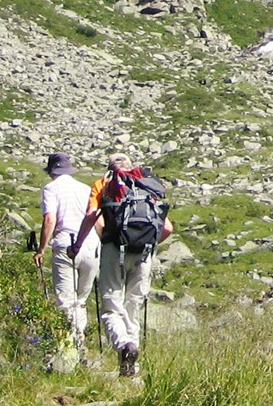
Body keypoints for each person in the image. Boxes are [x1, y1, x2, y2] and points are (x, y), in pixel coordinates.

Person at [71, 152, 172, 377]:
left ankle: (124, 345)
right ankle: (131, 367)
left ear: (110, 168)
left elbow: (91, 214)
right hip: (145, 253)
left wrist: (78, 244)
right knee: (133, 307)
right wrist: (150, 246)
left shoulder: (104, 184)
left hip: (114, 250)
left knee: (111, 307)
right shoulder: (148, 186)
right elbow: (167, 229)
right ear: (131, 165)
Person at [33, 152, 100, 359]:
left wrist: (41, 249)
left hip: (65, 244)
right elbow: (95, 218)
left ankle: (69, 347)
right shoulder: (85, 188)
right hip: (90, 245)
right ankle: (81, 344)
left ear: (52, 172)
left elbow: (50, 219)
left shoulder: (51, 189)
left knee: (65, 299)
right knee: (81, 299)